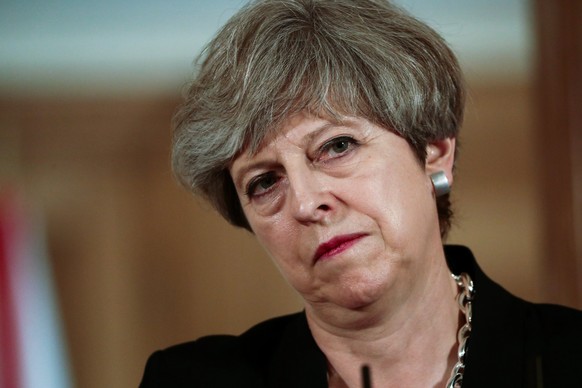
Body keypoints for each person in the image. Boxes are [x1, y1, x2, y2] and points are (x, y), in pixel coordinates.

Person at [140, 0, 582, 387]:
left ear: (434, 155)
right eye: (264, 182)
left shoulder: (569, 360)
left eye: (337, 146)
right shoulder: (189, 379)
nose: (306, 203)